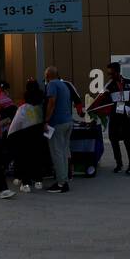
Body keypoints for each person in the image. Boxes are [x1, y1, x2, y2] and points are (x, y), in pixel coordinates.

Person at [91, 62, 130, 174]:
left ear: (117, 72)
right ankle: (119, 163)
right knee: (113, 140)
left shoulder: (129, 83)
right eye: (108, 74)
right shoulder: (108, 86)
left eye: (111, 73)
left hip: (126, 117)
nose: (110, 76)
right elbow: (100, 102)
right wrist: (94, 111)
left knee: (127, 140)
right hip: (114, 117)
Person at [7, 80, 47, 193]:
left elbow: (15, 125)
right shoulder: (40, 107)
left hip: (25, 136)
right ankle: (39, 181)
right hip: (38, 135)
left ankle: (26, 184)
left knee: (24, 158)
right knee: (37, 157)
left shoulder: (23, 108)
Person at [44, 66, 75, 194]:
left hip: (57, 123)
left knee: (56, 153)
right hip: (68, 122)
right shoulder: (64, 85)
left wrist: (46, 120)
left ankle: (61, 183)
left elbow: (51, 103)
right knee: (63, 152)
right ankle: (64, 179)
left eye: (45, 75)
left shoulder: (51, 85)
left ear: (48, 75)